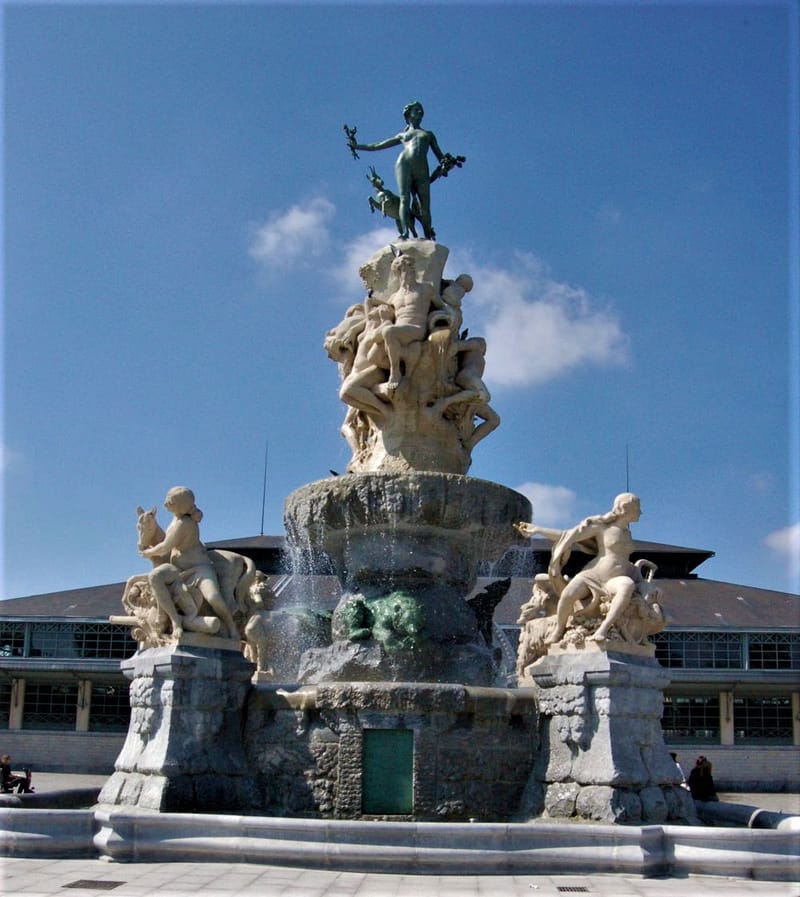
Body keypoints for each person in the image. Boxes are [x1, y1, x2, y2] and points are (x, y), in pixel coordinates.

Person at [515, 493, 647, 644]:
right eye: (637, 508)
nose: (640, 512)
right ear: (624, 508)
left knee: (627, 586)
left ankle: (603, 630)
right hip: (594, 574)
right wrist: (537, 530)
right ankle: (559, 630)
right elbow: (568, 535)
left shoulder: (627, 533)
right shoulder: (601, 527)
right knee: (567, 595)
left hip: (615, 579)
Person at [141, 487, 239, 640]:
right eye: (167, 499)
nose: (166, 503)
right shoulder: (176, 518)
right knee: (155, 577)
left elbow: (165, 547)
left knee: (213, 597)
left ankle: (231, 626)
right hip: (178, 569)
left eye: (170, 501)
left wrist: (148, 552)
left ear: (181, 505)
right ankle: (176, 622)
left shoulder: (183, 523)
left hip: (200, 569)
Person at [347, 101, 445, 240]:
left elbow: (441, 157)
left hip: (422, 168)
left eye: (421, 110)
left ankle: (428, 234)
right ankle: (404, 233)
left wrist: (446, 164)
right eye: (416, 110)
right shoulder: (402, 135)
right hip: (404, 164)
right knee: (405, 198)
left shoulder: (428, 134)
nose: (420, 112)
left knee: (425, 205)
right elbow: (377, 146)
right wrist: (357, 146)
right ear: (408, 114)